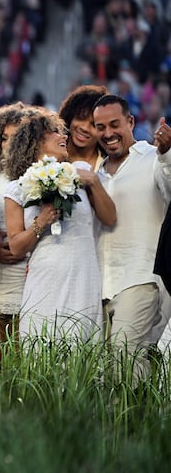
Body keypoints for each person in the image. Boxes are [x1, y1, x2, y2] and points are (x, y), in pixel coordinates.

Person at [3, 110, 115, 341]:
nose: (62, 136)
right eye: (53, 132)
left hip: (83, 274)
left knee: (82, 348)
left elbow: (110, 218)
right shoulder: (18, 187)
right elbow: (16, 247)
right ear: (35, 143)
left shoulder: (81, 173)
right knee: (43, 345)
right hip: (46, 276)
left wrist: (93, 181)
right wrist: (41, 221)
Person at [93, 94, 171, 380]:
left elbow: (170, 188)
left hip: (140, 277)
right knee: (102, 367)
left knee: (125, 355)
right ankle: (115, 423)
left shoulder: (153, 158)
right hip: (99, 283)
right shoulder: (95, 174)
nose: (108, 133)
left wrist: (167, 153)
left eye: (115, 124)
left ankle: (132, 422)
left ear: (130, 122)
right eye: (100, 127)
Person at [0, 103, 29, 344]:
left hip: (30, 271)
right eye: (3, 138)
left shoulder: (40, 176)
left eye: (16, 137)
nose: (9, 144)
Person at [58, 85, 107, 170]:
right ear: (70, 117)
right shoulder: (50, 155)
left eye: (94, 125)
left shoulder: (110, 166)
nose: (85, 128)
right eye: (80, 118)